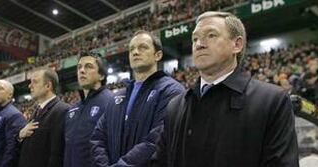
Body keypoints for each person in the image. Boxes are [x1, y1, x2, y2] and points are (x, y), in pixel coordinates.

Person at [152, 11, 298, 167]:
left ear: (237, 44)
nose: (199, 44)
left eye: (211, 35)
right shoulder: (176, 106)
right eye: (195, 39)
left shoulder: (272, 101)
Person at [91, 30, 185, 166]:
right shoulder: (117, 96)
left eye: (143, 47)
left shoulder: (171, 91)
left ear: (158, 55)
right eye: (131, 49)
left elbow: (156, 140)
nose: (135, 52)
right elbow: (98, 137)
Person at [64, 52, 114, 167]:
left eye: (88, 66)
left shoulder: (111, 102)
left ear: (101, 75)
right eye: (79, 67)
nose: (81, 70)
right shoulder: (73, 109)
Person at [18, 68, 71, 167]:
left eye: (35, 82)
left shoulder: (62, 110)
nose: (30, 85)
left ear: (48, 85)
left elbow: (57, 154)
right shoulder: (36, 111)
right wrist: (20, 136)